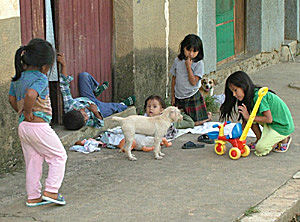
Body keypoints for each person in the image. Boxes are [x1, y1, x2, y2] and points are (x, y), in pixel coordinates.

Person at [8, 38, 67, 207]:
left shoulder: (17, 78)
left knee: (33, 161)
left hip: (23, 127)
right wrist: (28, 112)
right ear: (45, 66)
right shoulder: (40, 78)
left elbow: (12, 99)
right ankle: (51, 191)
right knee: (58, 156)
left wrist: (21, 114)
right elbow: (31, 95)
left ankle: (33, 196)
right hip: (38, 126)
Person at [220, 71, 294, 156]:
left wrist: (248, 117)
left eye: (235, 90)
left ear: (243, 86)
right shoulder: (248, 97)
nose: (234, 94)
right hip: (272, 123)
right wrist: (240, 140)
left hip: (282, 126)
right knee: (250, 118)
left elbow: (269, 119)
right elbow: (246, 121)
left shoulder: (259, 97)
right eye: (232, 91)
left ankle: (284, 138)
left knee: (260, 149)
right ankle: (260, 138)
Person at [57, 53, 135, 130]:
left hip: (87, 99)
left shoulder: (70, 105)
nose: (87, 118)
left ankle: (95, 90)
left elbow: (64, 85)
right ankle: (123, 104)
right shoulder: (83, 121)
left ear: (77, 110)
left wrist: (64, 64)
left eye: (84, 115)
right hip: (98, 108)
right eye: (85, 120)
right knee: (114, 107)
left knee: (83, 76)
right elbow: (100, 124)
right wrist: (95, 112)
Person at [118, 95, 194, 151]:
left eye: (154, 106)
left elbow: (190, 123)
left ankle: (145, 147)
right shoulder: (143, 118)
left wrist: (180, 114)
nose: (150, 108)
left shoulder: (167, 122)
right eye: (148, 106)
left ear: (162, 110)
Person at [171, 34, 211, 126]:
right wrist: (173, 96)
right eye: (188, 50)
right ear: (183, 48)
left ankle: (207, 117)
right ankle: (204, 116)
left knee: (195, 123)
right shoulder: (177, 60)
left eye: (194, 51)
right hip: (179, 96)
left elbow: (193, 82)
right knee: (178, 120)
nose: (191, 54)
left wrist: (188, 67)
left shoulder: (199, 64)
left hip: (192, 95)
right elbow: (174, 79)